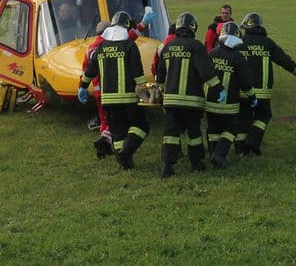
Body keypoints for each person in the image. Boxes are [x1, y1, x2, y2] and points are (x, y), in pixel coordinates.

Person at [78, 11, 150, 170]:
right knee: (141, 126)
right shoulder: (129, 45)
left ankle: (125, 163)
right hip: (129, 98)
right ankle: (127, 150)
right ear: (126, 26)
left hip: (108, 100)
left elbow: (89, 71)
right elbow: (137, 72)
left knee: (117, 133)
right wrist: (144, 91)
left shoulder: (100, 48)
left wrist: (82, 88)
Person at [155, 12, 223, 178]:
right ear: (193, 27)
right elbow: (206, 72)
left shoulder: (167, 47)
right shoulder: (196, 46)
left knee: (171, 133)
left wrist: (163, 92)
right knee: (194, 134)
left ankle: (167, 166)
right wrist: (219, 88)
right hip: (192, 101)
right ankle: (196, 163)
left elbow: (160, 75)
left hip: (171, 101)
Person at [237, 12, 296, 156]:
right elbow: (284, 60)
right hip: (263, 92)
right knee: (263, 115)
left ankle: (240, 150)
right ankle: (253, 141)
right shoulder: (268, 43)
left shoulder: (240, 42)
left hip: (243, 91)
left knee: (243, 120)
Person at [206, 21, 256, 169]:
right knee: (231, 129)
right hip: (229, 104)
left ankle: (213, 155)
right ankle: (219, 156)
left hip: (210, 102)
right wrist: (252, 97)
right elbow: (245, 81)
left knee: (213, 130)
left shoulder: (212, 53)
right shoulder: (238, 57)